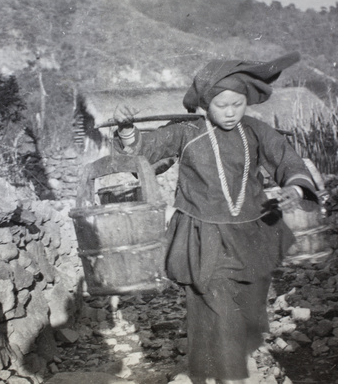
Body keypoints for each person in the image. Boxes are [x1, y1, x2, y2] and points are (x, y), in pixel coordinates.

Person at [114, 52, 318, 384]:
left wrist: (294, 189)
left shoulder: (254, 131)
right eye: (221, 105)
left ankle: (213, 367)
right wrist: (127, 133)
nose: (230, 112)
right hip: (202, 233)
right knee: (216, 300)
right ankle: (230, 376)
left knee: (243, 305)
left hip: (250, 232)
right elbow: (145, 149)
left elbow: (287, 160)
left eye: (237, 104)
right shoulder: (186, 131)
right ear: (207, 103)